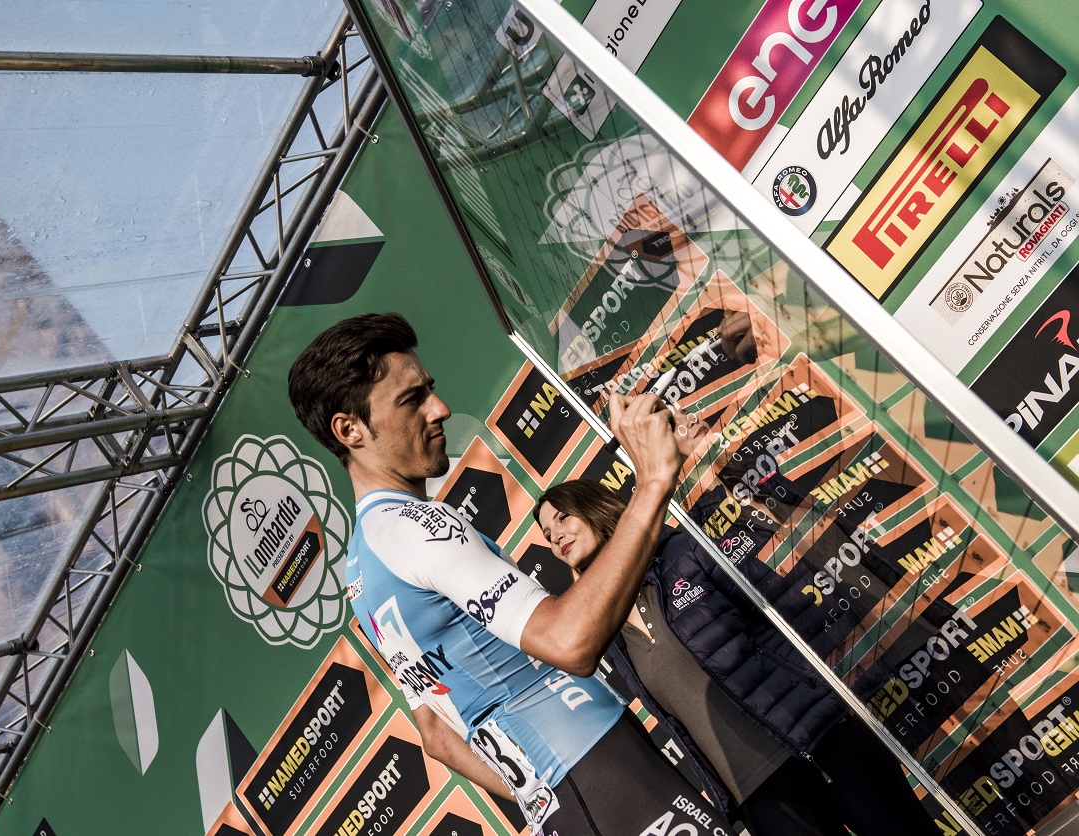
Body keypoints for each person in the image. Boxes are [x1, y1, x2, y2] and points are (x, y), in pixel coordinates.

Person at [287, 312, 733, 836]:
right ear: (350, 430)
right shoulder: (415, 528)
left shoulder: (361, 564)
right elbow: (569, 641)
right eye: (412, 399)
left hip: (572, 795)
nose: (440, 408)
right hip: (599, 770)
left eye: (430, 389)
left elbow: (437, 735)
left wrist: (544, 794)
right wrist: (654, 480)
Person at [533, 477, 940, 836]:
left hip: (820, 741)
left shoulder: (681, 552)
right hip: (758, 797)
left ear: (595, 507)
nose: (556, 537)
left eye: (563, 518)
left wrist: (826, 703)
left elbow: (786, 615)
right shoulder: (604, 632)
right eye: (548, 535)